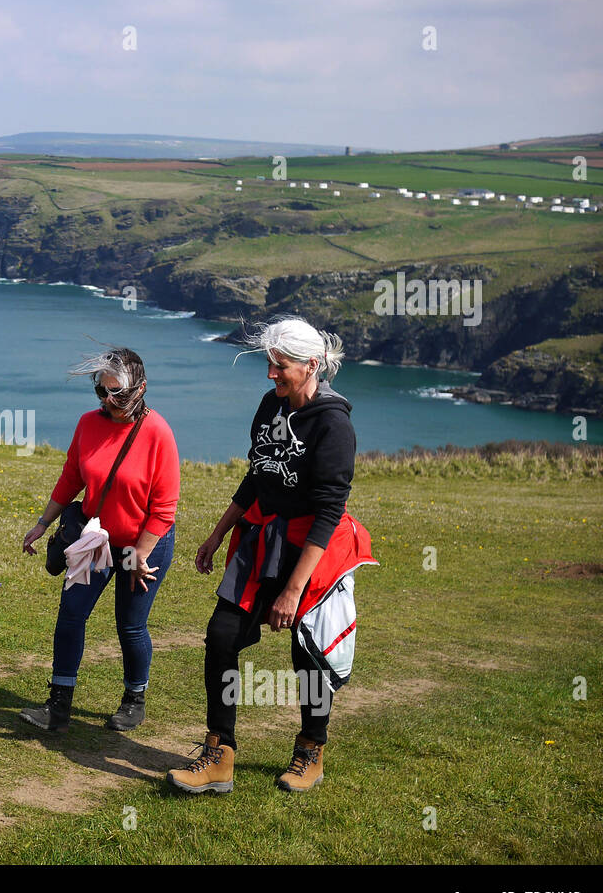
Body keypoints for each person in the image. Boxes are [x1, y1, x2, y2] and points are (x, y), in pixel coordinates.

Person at [168, 317, 374, 794]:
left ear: (312, 365)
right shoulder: (270, 405)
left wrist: (293, 590)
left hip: (313, 551)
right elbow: (257, 475)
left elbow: (328, 512)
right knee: (221, 634)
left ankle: (310, 751)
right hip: (263, 539)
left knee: (308, 655)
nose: (271, 375)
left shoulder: (334, 424)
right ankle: (219, 754)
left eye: (280, 367)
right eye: (269, 364)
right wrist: (218, 534)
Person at [20, 347, 180, 732]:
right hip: (96, 540)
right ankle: (58, 706)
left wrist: (140, 555)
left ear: (140, 389)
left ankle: (134, 699)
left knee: (130, 624)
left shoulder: (158, 432)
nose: (109, 401)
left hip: (143, 544)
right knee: (71, 614)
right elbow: (71, 476)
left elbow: (163, 508)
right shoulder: (88, 424)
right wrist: (43, 523)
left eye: (118, 393)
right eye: (102, 391)